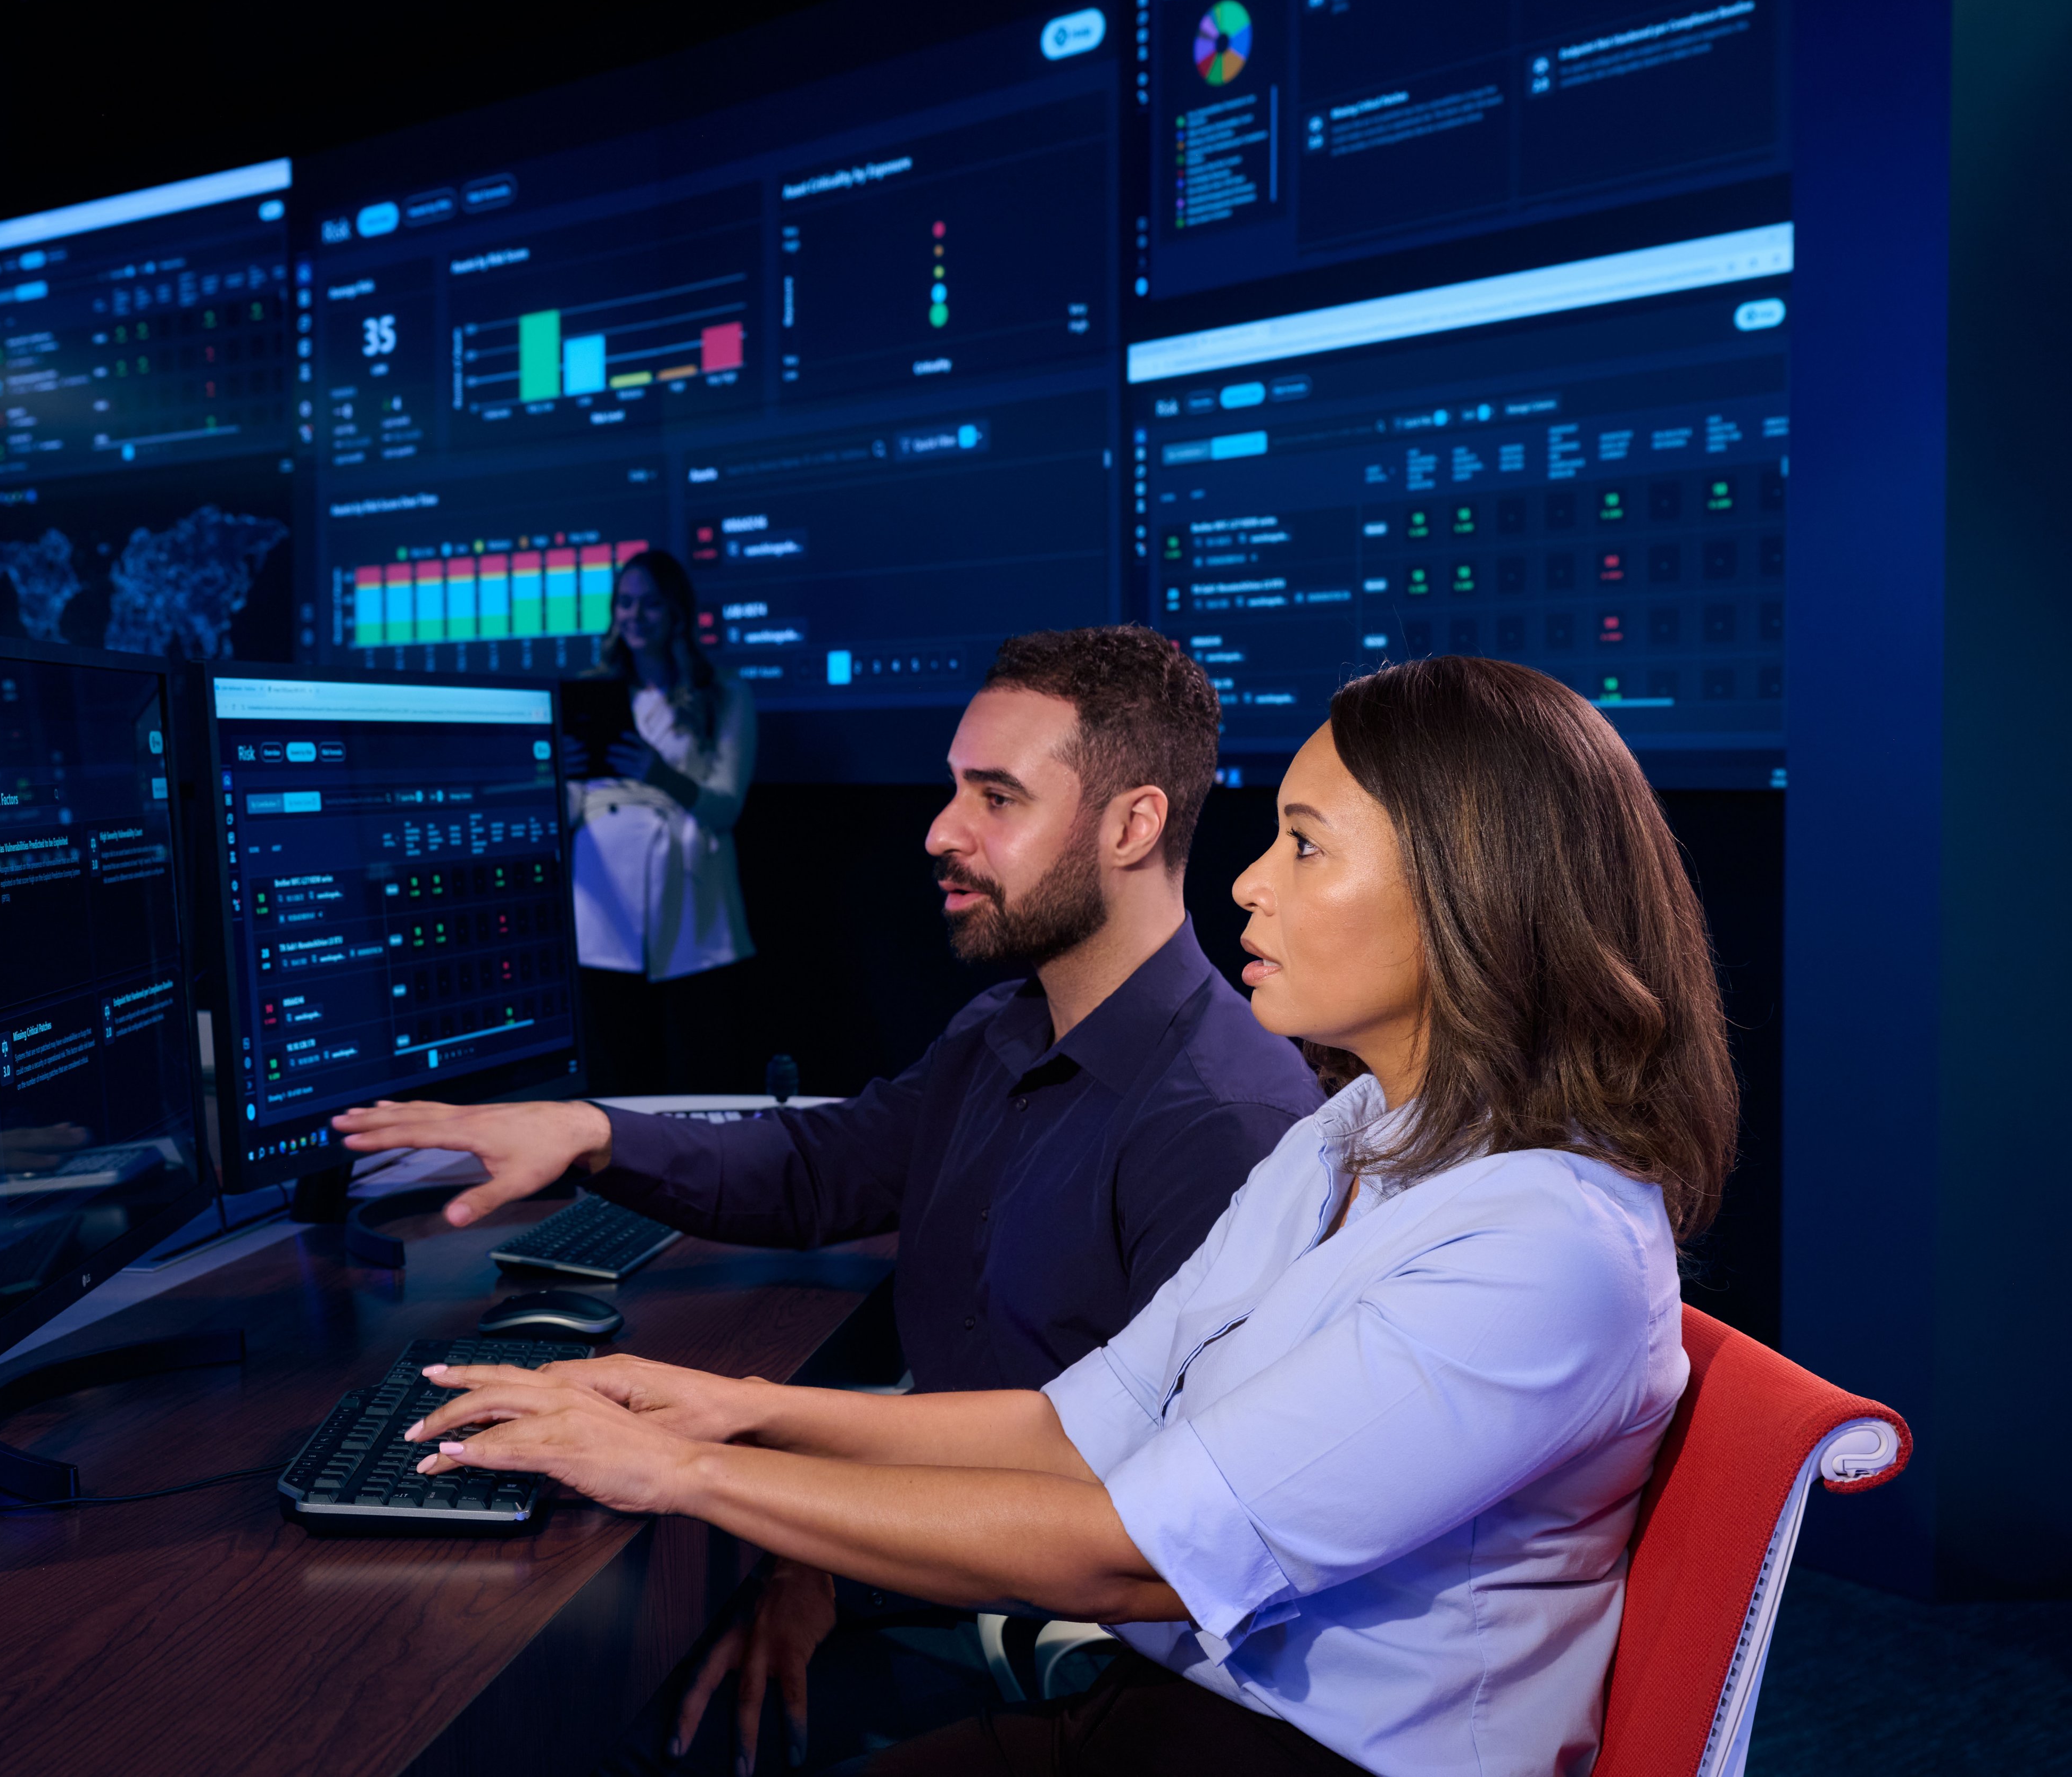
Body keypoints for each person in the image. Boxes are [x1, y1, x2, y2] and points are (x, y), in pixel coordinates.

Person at [391, 656, 1737, 1777]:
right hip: (1185, 1699)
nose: (1249, 884)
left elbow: (1126, 1547)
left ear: (1471, 892)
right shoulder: (1354, 1129)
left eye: (1303, 845)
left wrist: (687, 1474)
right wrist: (731, 1407)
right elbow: (1080, 1419)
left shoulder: (1541, 1247)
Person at [336, 626, 1324, 1767]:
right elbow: (823, 1168)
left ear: (1132, 826)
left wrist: (811, 1543)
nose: (940, 832)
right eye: (954, 787)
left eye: (994, 798)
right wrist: (589, 1132)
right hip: (921, 1566)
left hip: (1075, 1652)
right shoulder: (1004, 1028)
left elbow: (1144, 1530)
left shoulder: (1223, 1124)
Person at [565, 548, 759, 1094]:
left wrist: (660, 775)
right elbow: (569, 811)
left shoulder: (723, 694)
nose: (635, 616)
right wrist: (556, 772)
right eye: (625, 603)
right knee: (620, 1074)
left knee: (704, 1070)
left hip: (690, 900)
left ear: (676, 612)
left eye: (650, 604)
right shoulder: (591, 693)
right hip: (601, 904)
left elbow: (725, 807)